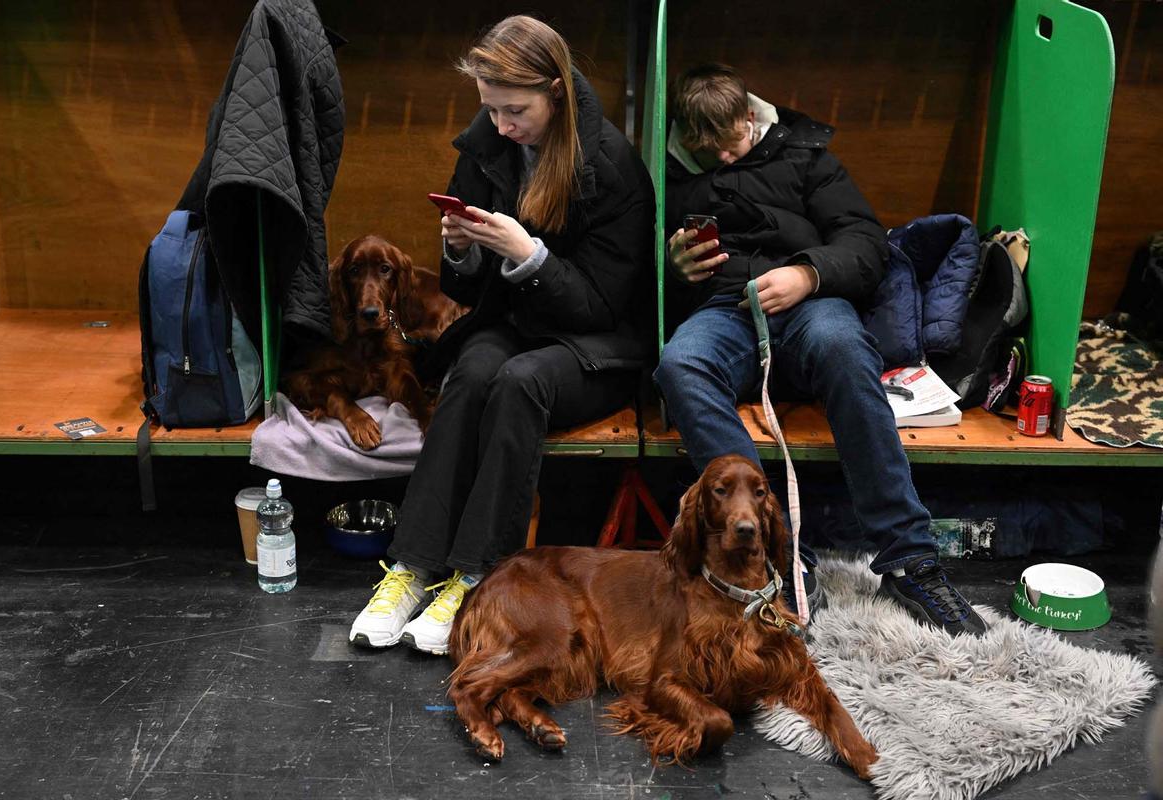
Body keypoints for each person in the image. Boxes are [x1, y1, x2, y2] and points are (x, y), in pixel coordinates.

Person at [349, 16, 655, 654]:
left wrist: (530, 256)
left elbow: (604, 305)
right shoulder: (486, 147)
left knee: (520, 381)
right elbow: (464, 293)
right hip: (518, 323)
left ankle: (477, 575)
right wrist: (460, 251)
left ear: (556, 92)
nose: (500, 126)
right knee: (470, 375)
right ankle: (413, 566)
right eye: (490, 109)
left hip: (598, 345)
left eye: (515, 110)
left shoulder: (613, 166)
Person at [653, 63, 987, 636]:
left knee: (843, 346)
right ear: (685, 136)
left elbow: (865, 243)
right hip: (726, 308)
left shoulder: (804, 155)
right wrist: (672, 267)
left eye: (733, 143)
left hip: (813, 302)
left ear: (748, 117)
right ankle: (773, 551)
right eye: (710, 152)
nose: (727, 160)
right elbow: (629, 269)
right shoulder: (665, 172)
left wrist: (808, 274)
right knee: (680, 365)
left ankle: (909, 558)